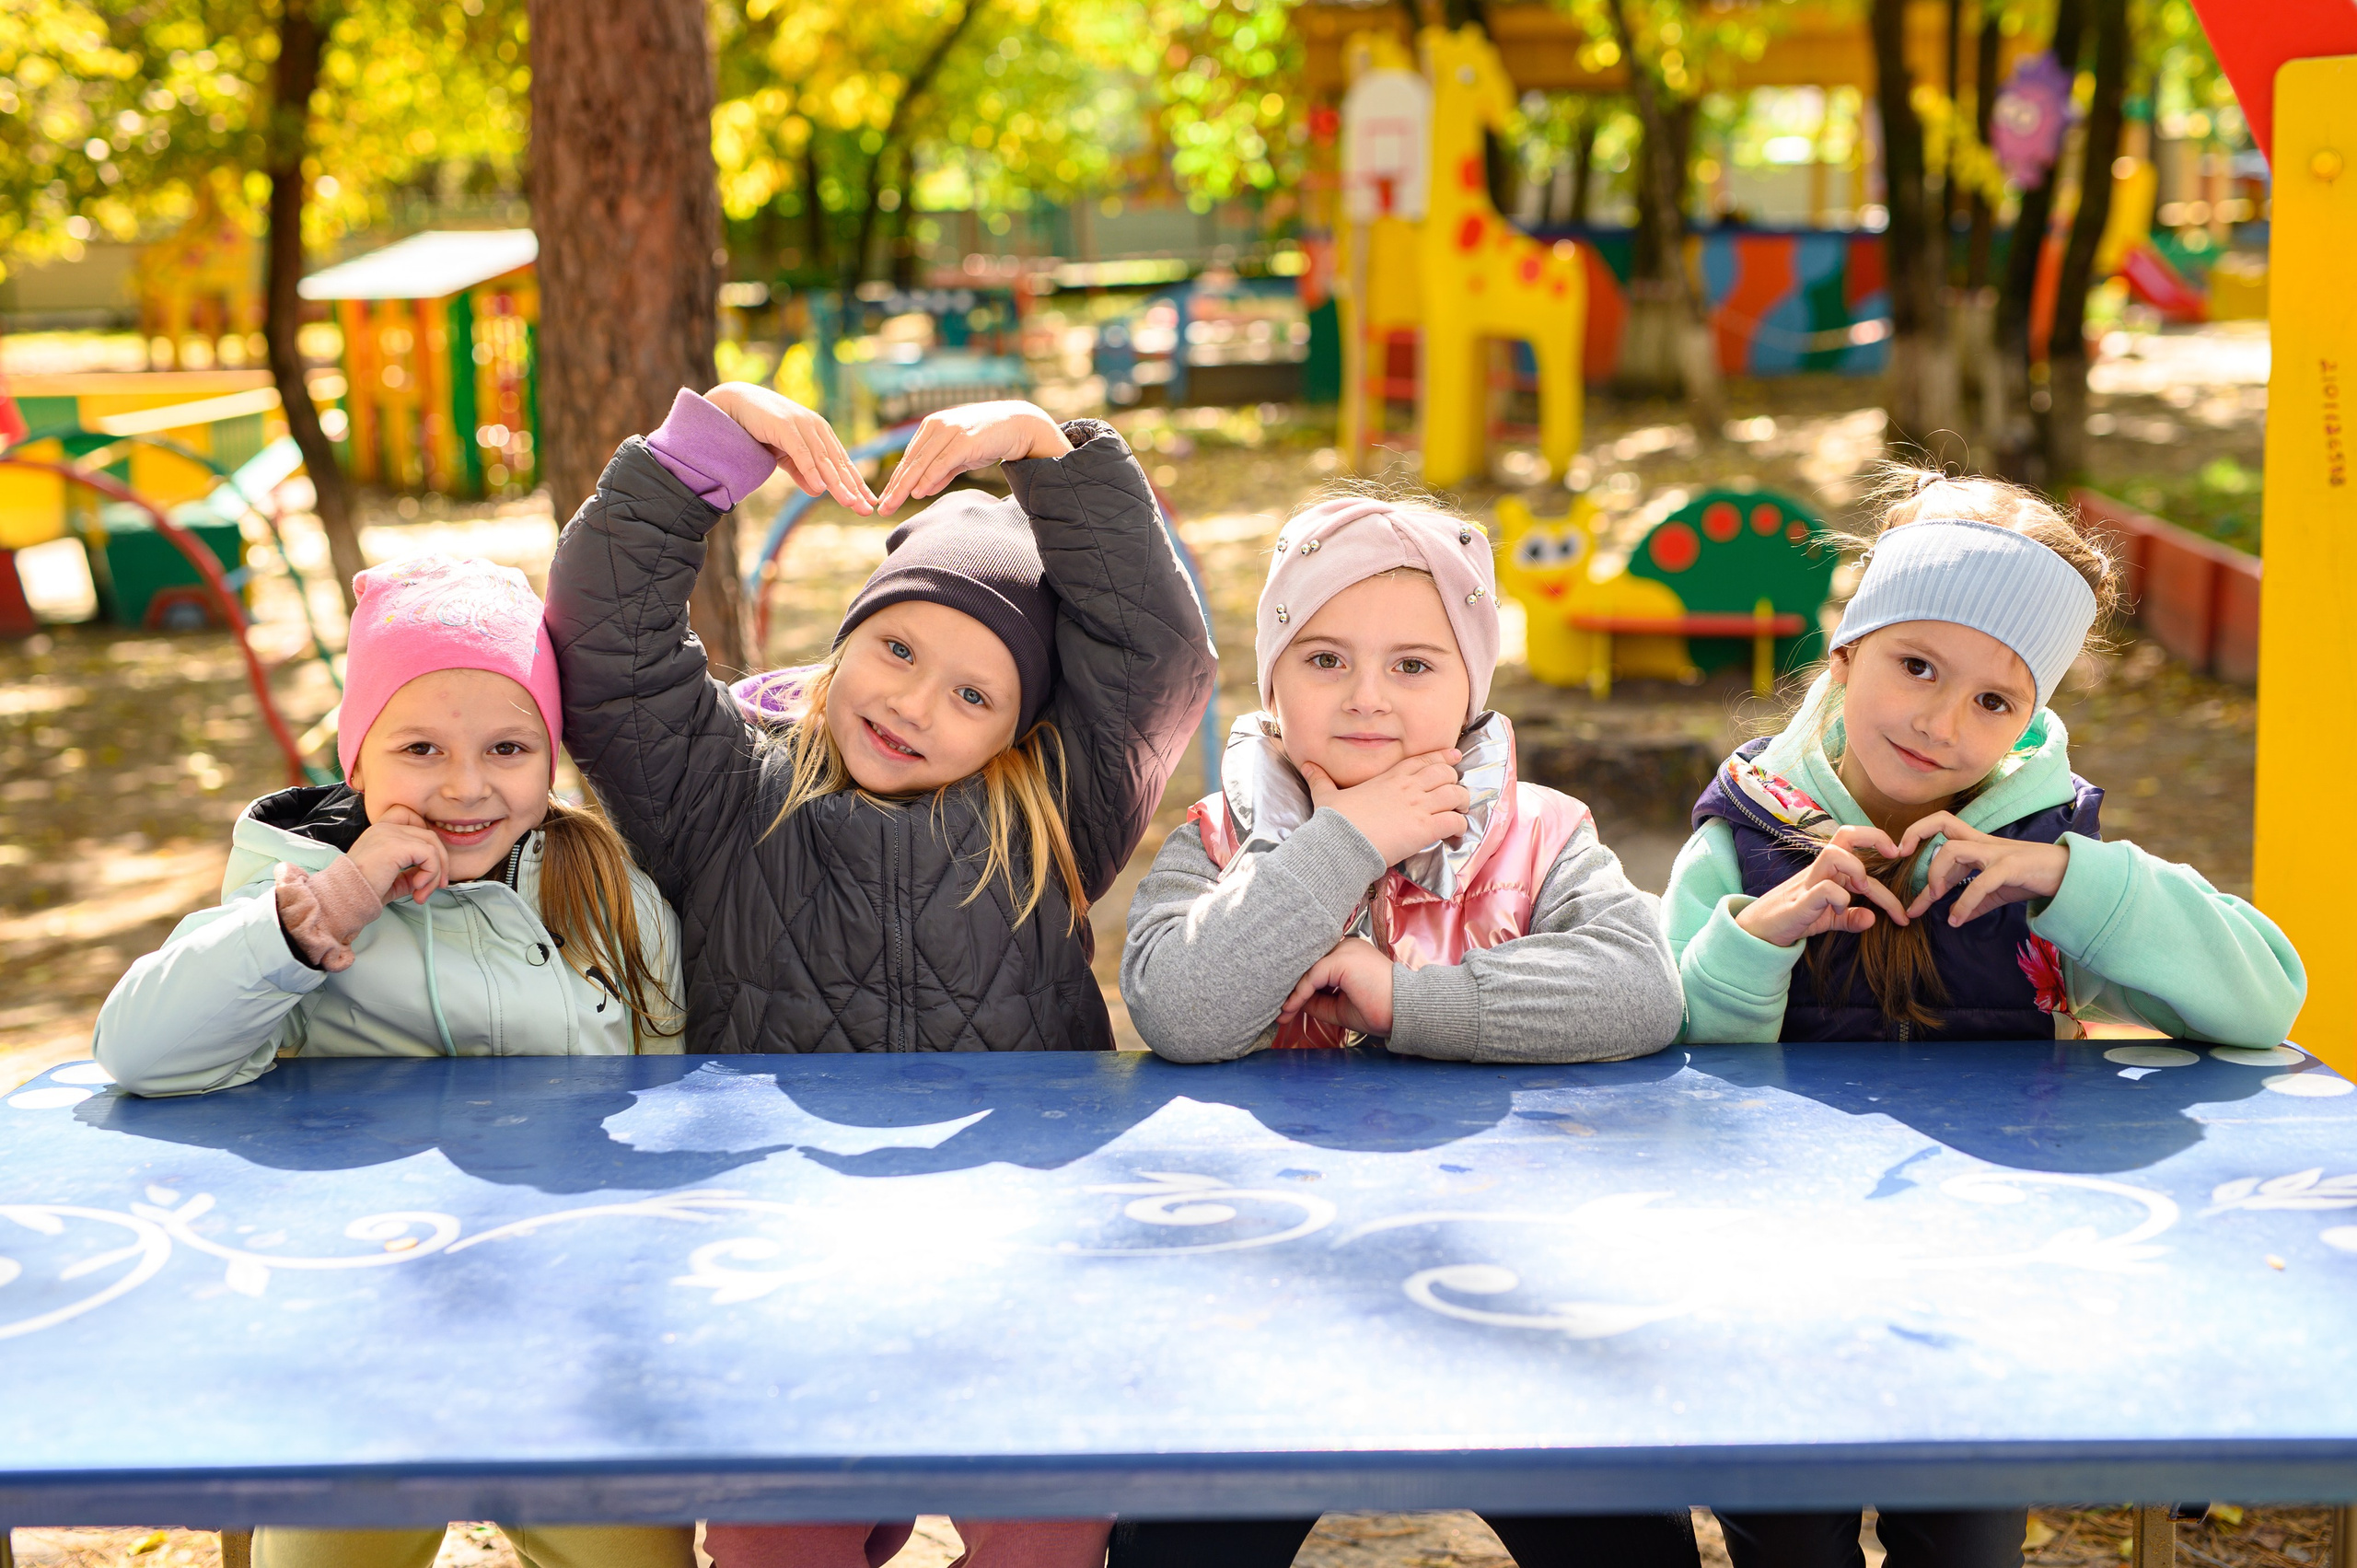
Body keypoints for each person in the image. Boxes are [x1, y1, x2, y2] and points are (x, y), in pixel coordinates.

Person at [542, 387, 1216, 1568]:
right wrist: (702, 450)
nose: (912, 702)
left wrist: (1045, 451)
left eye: (973, 692)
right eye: (896, 646)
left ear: (1022, 727)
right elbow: (609, 637)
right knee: (772, 1544)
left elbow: (1155, 658)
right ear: (843, 637)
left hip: (1010, 1262)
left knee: (1048, 1537)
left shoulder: (1056, 814)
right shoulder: (725, 795)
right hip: (783, 1271)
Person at [1665, 467, 2306, 1568]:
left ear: (2030, 719)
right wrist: (1752, 939)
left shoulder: (2050, 860)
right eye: (1916, 665)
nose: (1938, 720)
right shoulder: (1738, 839)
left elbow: (2264, 998)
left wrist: (2075, 880)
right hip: (1772, 1289)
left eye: (1993, 700)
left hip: (1991, 1301)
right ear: (1846, 651)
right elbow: (1668, 1071)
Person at [1113, 489, 1692, 1568]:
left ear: (1472, 688)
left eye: (1414, 665)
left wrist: (1403, 996)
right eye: (1324, 658)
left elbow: (1639, 987)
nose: (1367, 696)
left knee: (1629, 1542)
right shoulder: (1223, 837)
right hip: (1262, 1296)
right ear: (1272, 680)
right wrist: (1345, 838)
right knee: (1175, 1547)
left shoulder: (1539, 834)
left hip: (1510, 1283)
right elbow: (1181, 1007)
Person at [94, 553, 689, 1568]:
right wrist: (327, 911)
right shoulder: (293, 895)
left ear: (551, 758)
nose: (466, 784)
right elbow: (136, 1049)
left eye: (508, 746)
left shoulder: (608, 893)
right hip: (351, 1344)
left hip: (563, 1342)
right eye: (421, 746)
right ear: (356, 760)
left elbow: (668, 1104)